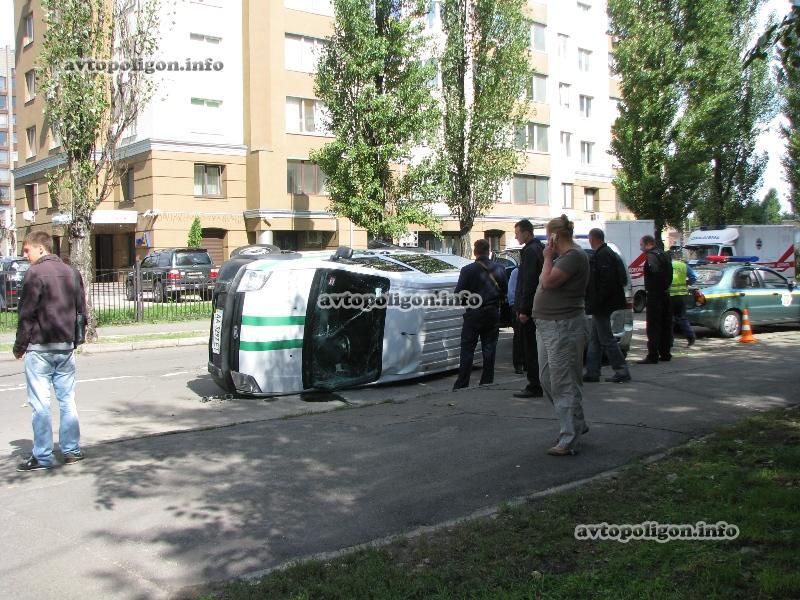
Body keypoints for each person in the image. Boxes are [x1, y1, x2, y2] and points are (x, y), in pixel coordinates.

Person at [13, 231, 86, 472]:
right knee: (67, 401)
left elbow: (26, 314)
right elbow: (81, 311)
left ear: (41, 249)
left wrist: (20, 346)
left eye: (27, 250)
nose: (25, 255)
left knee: (41, 404)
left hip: (40, 348)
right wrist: (76, 340)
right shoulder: (72, 272)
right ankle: (71, 450)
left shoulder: (34, 274)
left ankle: (42, 456)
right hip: (65, 348)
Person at [533, 215, 590, 456]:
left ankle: (569, 439)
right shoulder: (562, 258)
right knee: (547, 378)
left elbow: (547, 283)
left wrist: (547, 257)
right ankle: (576, 424)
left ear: (555, 236)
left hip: (563, 326)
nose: (547, 240)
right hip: (547, 325)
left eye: (548, 235)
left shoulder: (573, 257)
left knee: (564, 382)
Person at [452, 238, 508, 390]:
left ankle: (462, 383)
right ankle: (487, 381)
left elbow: (459, 294)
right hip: (492, 312)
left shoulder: (467, 270)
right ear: (489, 252)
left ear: (475, 252)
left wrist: (466, 304)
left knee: (467, 348)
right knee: (489, 348)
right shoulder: (500, 269)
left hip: (474, 313)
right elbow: (505, 291)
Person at [584, 228, 631, 384]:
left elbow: (605, 282)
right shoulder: (608, 253)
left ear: (593, 238)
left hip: (602, 305)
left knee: (606, 339)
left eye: (590, 238)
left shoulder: (602, 255)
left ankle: (621, 370)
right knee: (596, 338)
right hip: (604, 303)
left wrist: (597, 301)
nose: (589, 241)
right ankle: (592, 372)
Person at [513, 219, 545, 398]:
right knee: (534, 346)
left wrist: (524, 309)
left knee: (530, 348)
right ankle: (537, 381)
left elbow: (529, 281)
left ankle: (534, 384)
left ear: (526, 232)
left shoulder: (531, 251)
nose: (516, 236)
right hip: (537, 306)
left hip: (530, 308)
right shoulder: (538, 248)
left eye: (518, 233)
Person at [638, 235, 673, 364]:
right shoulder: (664, 254)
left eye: (641, 244)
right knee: (665, 324)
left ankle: (653, 354)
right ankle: (665, 352)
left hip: (655, 295)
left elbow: (654, 270)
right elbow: (669, 273)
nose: (641, 247)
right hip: (665, 294)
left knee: (653, 325)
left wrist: (654, 286)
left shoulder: (651, 256)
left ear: (648, 244)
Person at [670, 251, 697, 347]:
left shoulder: (667, 266)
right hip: (682, 295)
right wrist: (687, 283)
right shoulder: (683, 265)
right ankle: (691, 337)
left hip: (670, 296)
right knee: (682, 318)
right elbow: (694, 277)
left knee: (669, 319)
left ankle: (669, 342)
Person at [507, 266, 524, 374]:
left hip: (529, 307)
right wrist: (514, 307)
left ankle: (527, 363)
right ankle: (518, 364)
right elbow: (511, 292)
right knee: (519, 337)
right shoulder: (517, 271)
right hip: (518, 308)